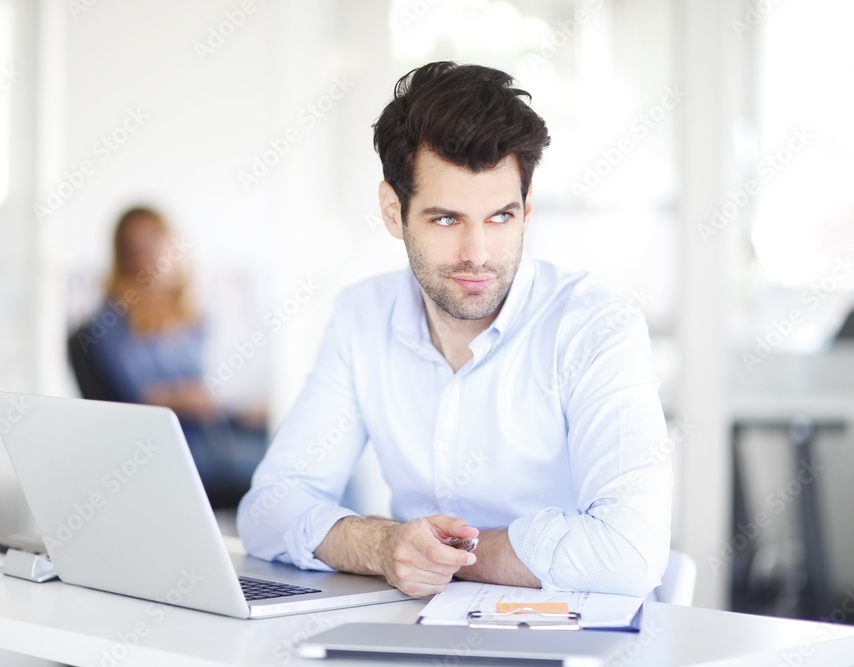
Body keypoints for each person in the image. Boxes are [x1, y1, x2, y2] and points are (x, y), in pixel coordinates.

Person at [237, 62, 673, 598]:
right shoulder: (362, 317)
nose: (478, 255)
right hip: (413, 632)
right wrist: (381, 546)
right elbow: (267, 508)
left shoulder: (596, 329)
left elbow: (627, 557)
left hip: (569, 638)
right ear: (394, 212)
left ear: (527, 211)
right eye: (446, 220)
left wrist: (437, 556)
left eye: (500, 217)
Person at [88, 206, 267, 508]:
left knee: (311, 455)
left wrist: (235, 405)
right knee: (295, 475)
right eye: (136, 248)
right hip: (178, 449)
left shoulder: (193, 316)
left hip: (218, 431)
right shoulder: (113, 320)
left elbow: (213, 383)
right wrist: (196, 399)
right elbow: (141, 395)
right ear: (123, 257)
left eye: (155, 242)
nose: (148, 255)